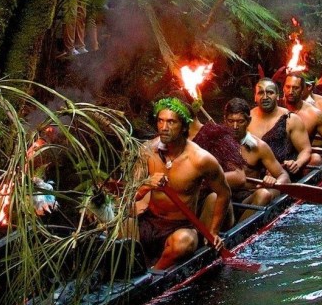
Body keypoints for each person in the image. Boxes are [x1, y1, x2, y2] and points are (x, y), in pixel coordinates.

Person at [130, 98, 231, 270]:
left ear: (184, 127)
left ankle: (154, 274)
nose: (164, 127)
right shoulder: (146, 151)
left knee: (184, 243)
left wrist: (213, 231)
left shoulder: (200, 159)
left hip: (180, 226)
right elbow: (131, 193)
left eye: (171, 122)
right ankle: (131, 270)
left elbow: (224, 193)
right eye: (160, 121)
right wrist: (147, 185)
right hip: (148, 221)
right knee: (118, 228)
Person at [223, 98, 290, 222]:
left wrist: (273, 182)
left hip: (248, 198)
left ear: (248, 121)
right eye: (231, 121)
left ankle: (238, 231)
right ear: (224, 120)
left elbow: (284, 176)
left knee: (264, 194)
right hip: (222, 195)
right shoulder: (217, 143)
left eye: (240, 121)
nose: (235, 126)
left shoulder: (259, 147)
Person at [248, 78, 311, 176]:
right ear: (255, 97)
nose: (265, 97)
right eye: (260, 93)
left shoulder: (291, 119)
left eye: (269, 92)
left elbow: (305, 149)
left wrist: (298, 163)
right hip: (254, 174)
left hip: (283, 173)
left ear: (277, 96)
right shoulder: (246, 119)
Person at [281, 73, 322, 165]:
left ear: (302, 90)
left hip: (299, 159)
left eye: (295, 88)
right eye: (288, 87)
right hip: (274, 158)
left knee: (315, 159)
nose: (291, 91)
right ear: (283, 88)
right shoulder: (274, 107)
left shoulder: (314, 114)